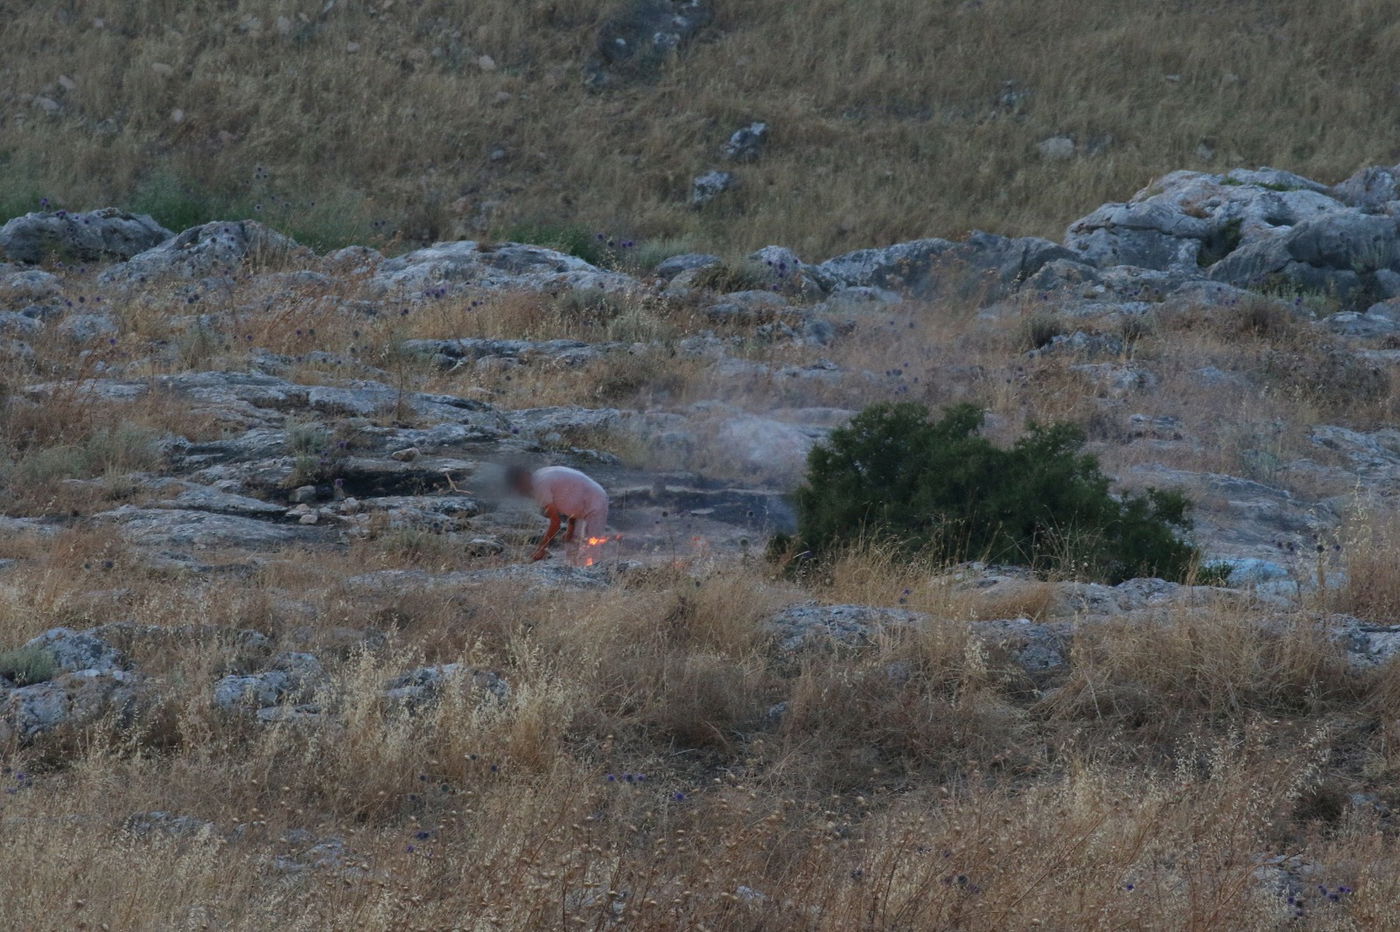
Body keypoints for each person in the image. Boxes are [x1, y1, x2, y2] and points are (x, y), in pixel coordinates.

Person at [505, 464, 611, 565]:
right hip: (590, 499)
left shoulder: (539, 486)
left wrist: (541, 549)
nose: (520, 491)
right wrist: (570, 529)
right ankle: (574, 573)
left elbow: (556, 523)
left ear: (524, 477)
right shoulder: (540, 475)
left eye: (519, 487)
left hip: (595, 501)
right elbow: (571, 496)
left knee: (592, 547)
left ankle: (592, 577)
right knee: (572, 545)